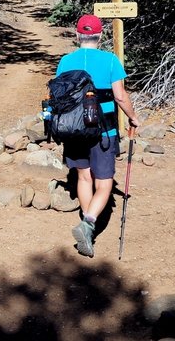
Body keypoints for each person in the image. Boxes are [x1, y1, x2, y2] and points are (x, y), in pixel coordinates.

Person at [55, 14, 140, 257]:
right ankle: (88, 223)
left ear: (77, 34)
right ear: (100, 35)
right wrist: (133, 118)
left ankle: (86, 230)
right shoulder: (110, 60)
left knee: (83, 178)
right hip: (104, 131)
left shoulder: (65, 61)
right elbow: (121, 96)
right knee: (104, 183)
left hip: (74, 130)